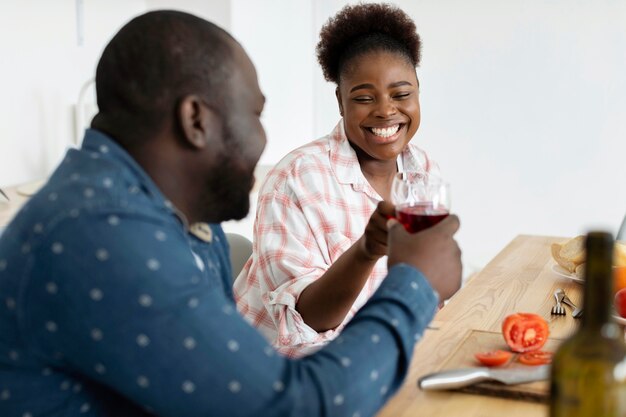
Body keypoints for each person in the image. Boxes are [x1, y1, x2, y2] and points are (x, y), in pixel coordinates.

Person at [0, 10, 461, 417]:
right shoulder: (103, 232)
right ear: (196, 120)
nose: (263, 138)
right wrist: (414, 284)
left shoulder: (172, 215)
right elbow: (294, 406)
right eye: (255, 114)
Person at [235, 3, 441, 357]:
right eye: (363, 98)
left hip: (373, 356)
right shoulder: (296, 179)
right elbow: (309, 321)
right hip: (281, 372)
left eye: (402, 94)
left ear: (418, 91)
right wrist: (368, 250)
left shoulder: (422, 170)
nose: (386, 110)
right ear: (341, 102)